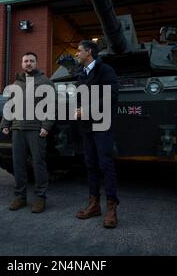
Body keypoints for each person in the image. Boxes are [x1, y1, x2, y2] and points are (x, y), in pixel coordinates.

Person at [1, 52, 54, 213]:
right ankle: (20, 197)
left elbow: (52, 106)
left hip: (36, 130)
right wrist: (5, 123)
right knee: (19, 165)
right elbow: (9, 104)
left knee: (38, 164)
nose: (28, 63)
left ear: (36, 63)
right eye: (25, 61)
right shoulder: (16, 83)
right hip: (17, 129)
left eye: (31, 61)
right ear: (22, 64)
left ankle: (40, 198)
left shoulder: (45, 82)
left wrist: (46, 126)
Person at [74, 40, 120, 228]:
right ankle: (94, 204)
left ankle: (111, 208)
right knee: (90, 164)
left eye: (79, 51)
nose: (76, 54)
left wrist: (88, 109)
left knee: (105, 163)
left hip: (102, 124)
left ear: (89, 52)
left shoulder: (105, 69)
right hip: (86, 126)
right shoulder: (81, 73)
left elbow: (112, 95)